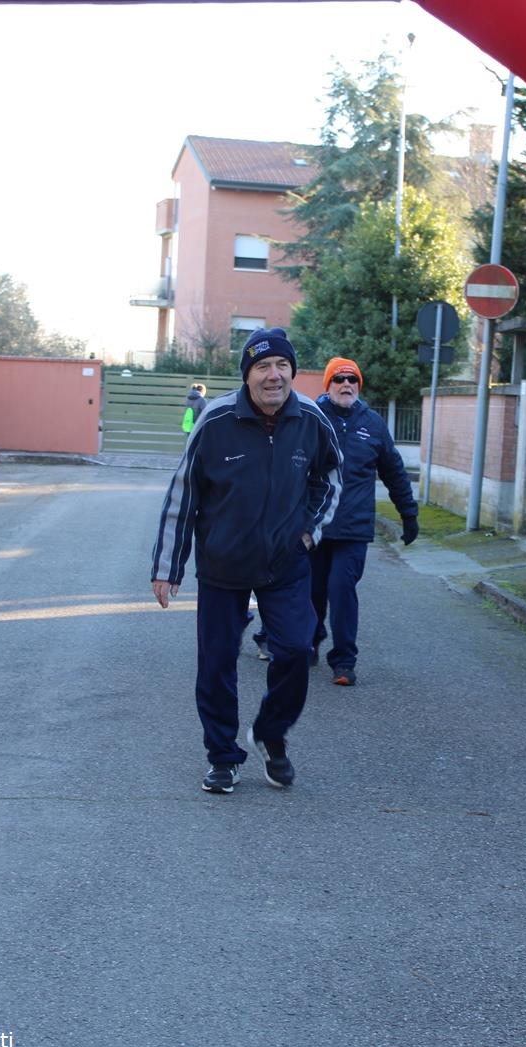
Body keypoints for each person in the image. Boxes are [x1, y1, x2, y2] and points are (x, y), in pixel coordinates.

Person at [151, 327, 343, 794]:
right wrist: (168, 567)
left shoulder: (311, 419)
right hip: (223, 564)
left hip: (285, 562)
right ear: (247, 375)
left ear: (292, 371)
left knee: (296, 649)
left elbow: (331, 478)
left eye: (282, 365)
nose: (273, 375)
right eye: (262, 366)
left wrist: (309, 532)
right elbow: (183, 494)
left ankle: (270, 734)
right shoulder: (216, 420)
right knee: (217, 662)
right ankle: (223, 756)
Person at [300, 356, 419, 686]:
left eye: (352, 380)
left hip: (354, 528)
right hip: (316, 527)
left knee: (341, 589)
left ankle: (343, 661)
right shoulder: (312, 418)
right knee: (312, 590)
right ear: (328, 385)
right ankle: (310, 642)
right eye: (339, 379)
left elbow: (394, 471)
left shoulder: (373, 424)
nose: (346, 385)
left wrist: (408, 514)